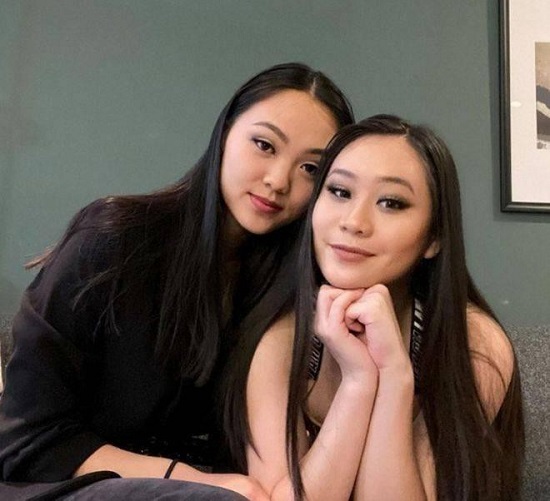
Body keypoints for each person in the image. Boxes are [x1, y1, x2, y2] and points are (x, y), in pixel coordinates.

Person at [0, 62, 354, 500]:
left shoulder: (285, 295)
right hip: (60, 485)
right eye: (264, 145)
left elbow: (281, 482)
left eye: (311, 169)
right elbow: (28, 438)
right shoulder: (114, 239)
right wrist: (197, 480)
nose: (278, 180)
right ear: (225, 133)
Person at [245, 115, 524, 500]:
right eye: (340, 191)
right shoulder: (281, 339)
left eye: (391, 203)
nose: (354, 222)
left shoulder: (474, 344)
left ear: (434, 237)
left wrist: (394, 376)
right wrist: (358, 382)